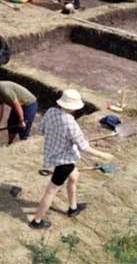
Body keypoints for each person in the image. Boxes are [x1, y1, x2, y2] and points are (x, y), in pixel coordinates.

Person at [29, 89, 114, 229]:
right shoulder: (71, 123)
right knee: (51, 191)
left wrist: (56, 135)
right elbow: (84, 147)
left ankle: (73, 208)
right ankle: (36, 221)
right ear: (74, 107)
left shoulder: (50, 111)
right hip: (64, 161)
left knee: (74, 177)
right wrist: (103, 155)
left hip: (53, 154)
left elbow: (41, 130)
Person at [0, 77, 38, 144]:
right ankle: (10, 143)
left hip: (29, 104)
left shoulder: (4, 89)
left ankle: (23, 145)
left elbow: (17, 104)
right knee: (11, 123)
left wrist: (21, 120)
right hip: (19, 105)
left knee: (23, 127)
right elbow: (0, 107)